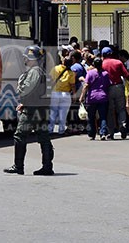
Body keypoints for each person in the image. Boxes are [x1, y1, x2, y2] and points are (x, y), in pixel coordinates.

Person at [4, 45, 54, 176]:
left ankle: (18, 166)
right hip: (42, 108)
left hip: (32, 110)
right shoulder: (41, 71)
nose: (24, 60)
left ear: (31, 59)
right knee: (44, 137)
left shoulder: (34, 72)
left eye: (26, 57)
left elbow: (27, 89)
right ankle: (47, 166)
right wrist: (24, 103)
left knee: (20, 135)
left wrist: (20, 85)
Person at [102, 46, 129, 139]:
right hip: (118, 86)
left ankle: (111, 132)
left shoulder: (102, 64)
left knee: (110, 111)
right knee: (121, 109)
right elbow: (127, 74)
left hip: (107, 88)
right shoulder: (118, 62)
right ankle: (123, 125)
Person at [79, 57, 111, 140]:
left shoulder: (90, 73)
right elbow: (108, 85)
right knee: (103, 116)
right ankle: (103, 133)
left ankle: (92, 133)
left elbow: (86, 85)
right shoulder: (105, 74)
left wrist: (82, 96)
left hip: (92, 97)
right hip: (103, 97)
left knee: (91, 116)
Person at [49, 56, 76, 135]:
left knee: (53, 113)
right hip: (65, 94)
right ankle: (61, 130)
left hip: (55, 93)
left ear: (63, 62)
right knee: (63, 114)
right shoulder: (71, 73)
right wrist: (74, 95)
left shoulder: (55, 68)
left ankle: (50, 129)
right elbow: (72, 86)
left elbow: (50, 79)